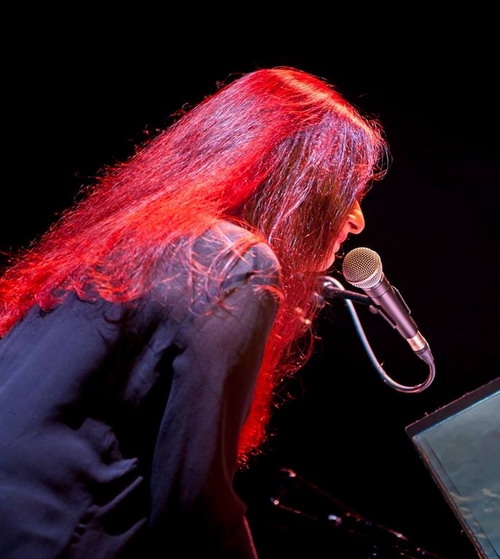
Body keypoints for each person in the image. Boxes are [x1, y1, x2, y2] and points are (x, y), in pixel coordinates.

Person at [0, 66, 389, 558]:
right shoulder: (234, 261)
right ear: (296, 181)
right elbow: (193, 503)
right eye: (349, 190)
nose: (357, 220)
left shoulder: (127, 236)